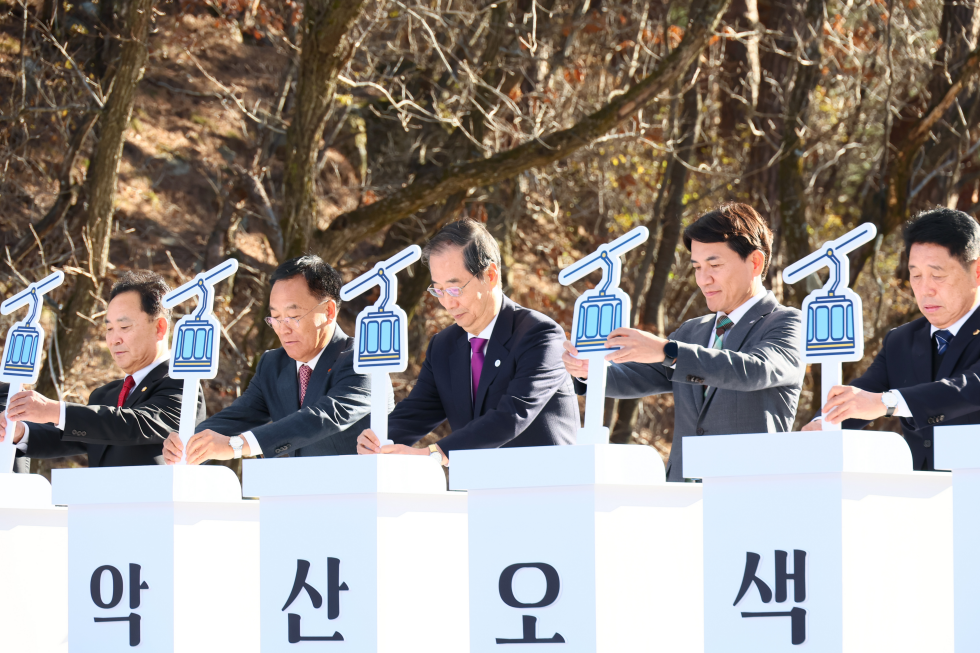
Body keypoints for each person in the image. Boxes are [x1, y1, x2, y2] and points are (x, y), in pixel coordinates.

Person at [563, 203, 804, 482]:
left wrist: (667, 351)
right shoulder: (692, 332)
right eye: (697, 267)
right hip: (682, 494)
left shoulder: (787, 323)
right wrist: (589, 370)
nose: (703, 279)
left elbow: (754, 370)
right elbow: (634, 377)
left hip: (748, 493)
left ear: (755, 262)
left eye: (715, 265)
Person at [356, 219, 578, 465]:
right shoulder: (443, 346)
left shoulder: (539, 335)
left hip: (548, 489)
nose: (447, 303)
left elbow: (512, 415)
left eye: (454, 289)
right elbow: (416, 412)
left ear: (490, 275)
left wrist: (432, 454)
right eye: (437, 290)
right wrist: (376, 439)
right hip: (479, 492)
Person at [163, 255, 387, 464]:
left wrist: (237, 446)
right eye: (276, 318)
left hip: (356, 494)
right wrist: (189, 441)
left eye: (293, 316)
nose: (283, 329)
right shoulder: (273, 364)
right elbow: (238, 415)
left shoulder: (363, 359)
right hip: (287, 494)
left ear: (329, 311)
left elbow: (323, 417)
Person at [804, 208, 980, 471]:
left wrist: (885, 403)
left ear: (977, 271)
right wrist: (823, 424)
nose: (924, 289)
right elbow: (864, 392)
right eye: (916, 275)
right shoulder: (901, 341)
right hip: (919, 498)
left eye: (938, 275)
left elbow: (969, 387)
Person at [0, 271, 205, 467]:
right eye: (108, 329)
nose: (114, 339)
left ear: (159, 328)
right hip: (98, 502)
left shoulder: (183, 385)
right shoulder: (105, 395)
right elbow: (71, 435)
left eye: (124, 327)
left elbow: (134, 424)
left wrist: (56, 410)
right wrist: (20, 432)